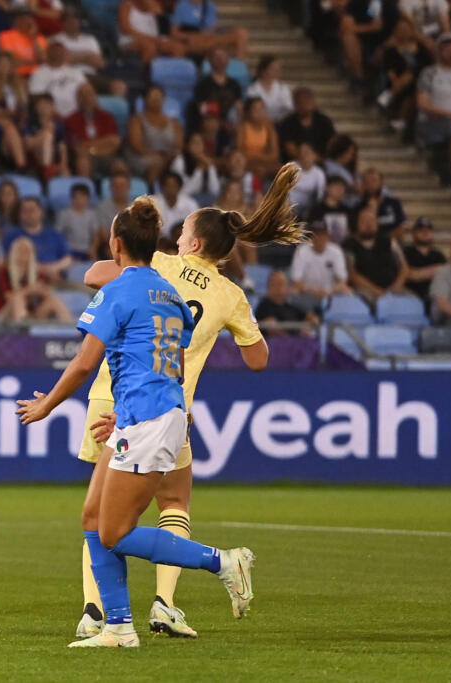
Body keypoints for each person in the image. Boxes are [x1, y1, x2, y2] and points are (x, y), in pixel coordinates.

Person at [21, 194, 282, 647]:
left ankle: (218, 563)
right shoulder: (210, 295)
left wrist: (50, 406)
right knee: (125, 510)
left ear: (117, 245)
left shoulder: (147, 275)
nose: (178, 240)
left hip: (141, 412)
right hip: (150, 408)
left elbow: (85, 355)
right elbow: (218, 358)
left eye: (183, 234)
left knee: (113, 529)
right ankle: (127, 622)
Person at [0, 236, 73, 322]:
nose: (23, 254)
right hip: (5, 315)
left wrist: (42, 291)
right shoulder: (4, 272)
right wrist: (30, 290)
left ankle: (73, 329)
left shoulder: (37, 273)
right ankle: (23, 331)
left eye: (27, 251)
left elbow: (45, 293)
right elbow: (9, 297)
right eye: (20, 250)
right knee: (17, 299)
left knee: (53, 300)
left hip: (30, 314)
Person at [343, 203, 409, 302]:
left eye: (371, 221)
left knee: (413, 302)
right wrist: (378, 292)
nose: (368, 225)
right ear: (356, 224)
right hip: (365, 291)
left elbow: (404, 267)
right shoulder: (348, 245)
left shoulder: (389, 241)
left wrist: (396, 286)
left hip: (393, 289)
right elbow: (353, 275)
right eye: (364, 221)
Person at [3, 196, 72, 280]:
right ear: (19, 214)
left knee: (87, 289)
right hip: (27, 281)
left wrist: (53, 268)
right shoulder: (13, 236)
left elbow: (68, 259)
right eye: (25, 211)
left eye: (32, 210)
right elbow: (8, 262)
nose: (29, 214)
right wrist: (41, 270)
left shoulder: (54, 234)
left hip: (55, 277)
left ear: (41, 212)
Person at [415, 34, 451, 148]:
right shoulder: (429, 73)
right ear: (439, 52)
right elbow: (422, 104)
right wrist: (449, 114)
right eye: (448, 50)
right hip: (435, 121)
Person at [126, 85, 183, 183]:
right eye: (152, 96)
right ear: (145, 99)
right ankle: (152, 191)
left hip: (168, 156)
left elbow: (179, 146)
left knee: (179, 161)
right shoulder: (137, 120)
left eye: (159, 96)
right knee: (157, 163)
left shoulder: (173, 122)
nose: (156, 99)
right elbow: (137, 146)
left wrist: (170, 156)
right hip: (144, 157)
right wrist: (158, 156)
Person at [65, 82, 122, 177]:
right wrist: (103, 143)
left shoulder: (107, 117)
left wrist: (91, 149)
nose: (88, 98)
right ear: (78, 98)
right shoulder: (71, 120)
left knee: (120, 166)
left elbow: (114, 142)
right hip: (85, 158)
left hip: (107, 156)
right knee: (83, 163)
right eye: (84, 95)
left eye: (90, 94)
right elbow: (79, 148)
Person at [291, 221, 351, 301]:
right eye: (316, 235)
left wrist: (330, 292)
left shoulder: (336, 251)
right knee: (293, 292)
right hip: (308, 293)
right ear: (311, 237)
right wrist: (315, 292)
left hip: (331, 293)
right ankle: (306, 312)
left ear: (328, 236)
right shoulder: (302, 251)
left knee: (347, 292)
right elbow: (296, 281)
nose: (319, 238)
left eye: (322, 235)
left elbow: (342, 280)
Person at [28, 42, 88, 119]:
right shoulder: (38, 73)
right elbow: (36, 98)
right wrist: (55, 115)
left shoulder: (75, 72)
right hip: (51, 117)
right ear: (48, 53)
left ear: (65, 53)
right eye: (54, 51)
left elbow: (86, 91)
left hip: (77, 116)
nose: (58, 53)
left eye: (60, 51)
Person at [277, 87, 336, 162]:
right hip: (296, 163)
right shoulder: (287, 123)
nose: (303, 105)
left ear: (313, 102)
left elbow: (332, 144)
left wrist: (320, 158)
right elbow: (290, 149)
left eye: (306, 101)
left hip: (322, 161)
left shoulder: (324, 121)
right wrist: (307, 159)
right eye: (299, 102)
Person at [254, 270, 318, 336]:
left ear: (287, 287)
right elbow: (272, 329)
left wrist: (308, 327)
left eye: (280, 284)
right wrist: (294, 339)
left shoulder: (291, 307)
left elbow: (313, 319)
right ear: (268, 287)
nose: (277, 288)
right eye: (273, 284)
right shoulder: (264, 307)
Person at [403, 216, 447, 304]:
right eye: (421, 230)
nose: (425, 232)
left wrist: (417, 274)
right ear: (414, 233)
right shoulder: (405, 252)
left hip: (435, 297)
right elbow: (405, 275)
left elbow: (446, 275)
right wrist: (433, 271)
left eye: (428, 230)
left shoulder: (438, 255)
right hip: (409, 296)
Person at [169, 132, 221, 205]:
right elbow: (183, 192)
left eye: (200, 142)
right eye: (194, 142)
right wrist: (199, 170)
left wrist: (210, 167)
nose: (197, 145)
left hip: (202, 200)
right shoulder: (179, 161)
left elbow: (215, 191)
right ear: (187, 145)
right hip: (183, 200)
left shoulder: (206, 161)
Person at [237, 97, 280, 180]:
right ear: (248, 112)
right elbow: (240, 153)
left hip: (264, 163)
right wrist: (260, 159)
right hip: (247, 163)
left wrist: (259, 159)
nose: (259, 112)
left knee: (282, 169)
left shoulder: (269, 127)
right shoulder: (242, 127)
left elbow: (275, 155)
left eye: (261, 108)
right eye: (255, 109)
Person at [358, 167, 408, 238]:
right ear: (363, 185)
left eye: (374, 180)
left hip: (392, 243)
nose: (370, 184)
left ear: (381, 182)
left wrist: (383, 240)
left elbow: (402, 228)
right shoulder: (359, 206)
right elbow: (358, 232)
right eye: (367, 181)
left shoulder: (393, 202)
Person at [55, 183, 101, 260]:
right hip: (69, 250)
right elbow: (58, 234)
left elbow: (96, 233)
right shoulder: (64, 214)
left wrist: (93, 248)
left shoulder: (92, 214)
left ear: (88, 198)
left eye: (82, 197)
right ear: (72, 198)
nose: (79, 200)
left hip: (87, 250)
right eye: (76, 197)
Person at [0, 9, 48, 77]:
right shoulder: (5, 36)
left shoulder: (40, 38)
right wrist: (35, 62)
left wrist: (33, 38)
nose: (25, 21)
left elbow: (43, 60)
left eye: (28, 17)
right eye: (21, 18)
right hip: (16, 76)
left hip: (38, 75)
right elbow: (11, 61)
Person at [308, 175, 355, 243]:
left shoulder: (347, 211)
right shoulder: (316, 210)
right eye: (336, 186)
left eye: (342, 187)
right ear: (327, 188)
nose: (339, 189)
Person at [153, 171, 199, 237]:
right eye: (168, 186)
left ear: (180, 187)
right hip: (160, 241)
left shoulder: (190, 204)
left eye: (174, 186)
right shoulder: (154, 203)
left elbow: (197, 227)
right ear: (162, 187)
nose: (170, 189)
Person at [288, 143, 327, 217]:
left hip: (308, 211)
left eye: (306, 152)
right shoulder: (291, 167)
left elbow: (320, 197)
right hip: (289, 209)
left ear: (314, 155)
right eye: (301, 152)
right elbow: (282, 192)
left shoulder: (319, 173)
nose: (303, 155)